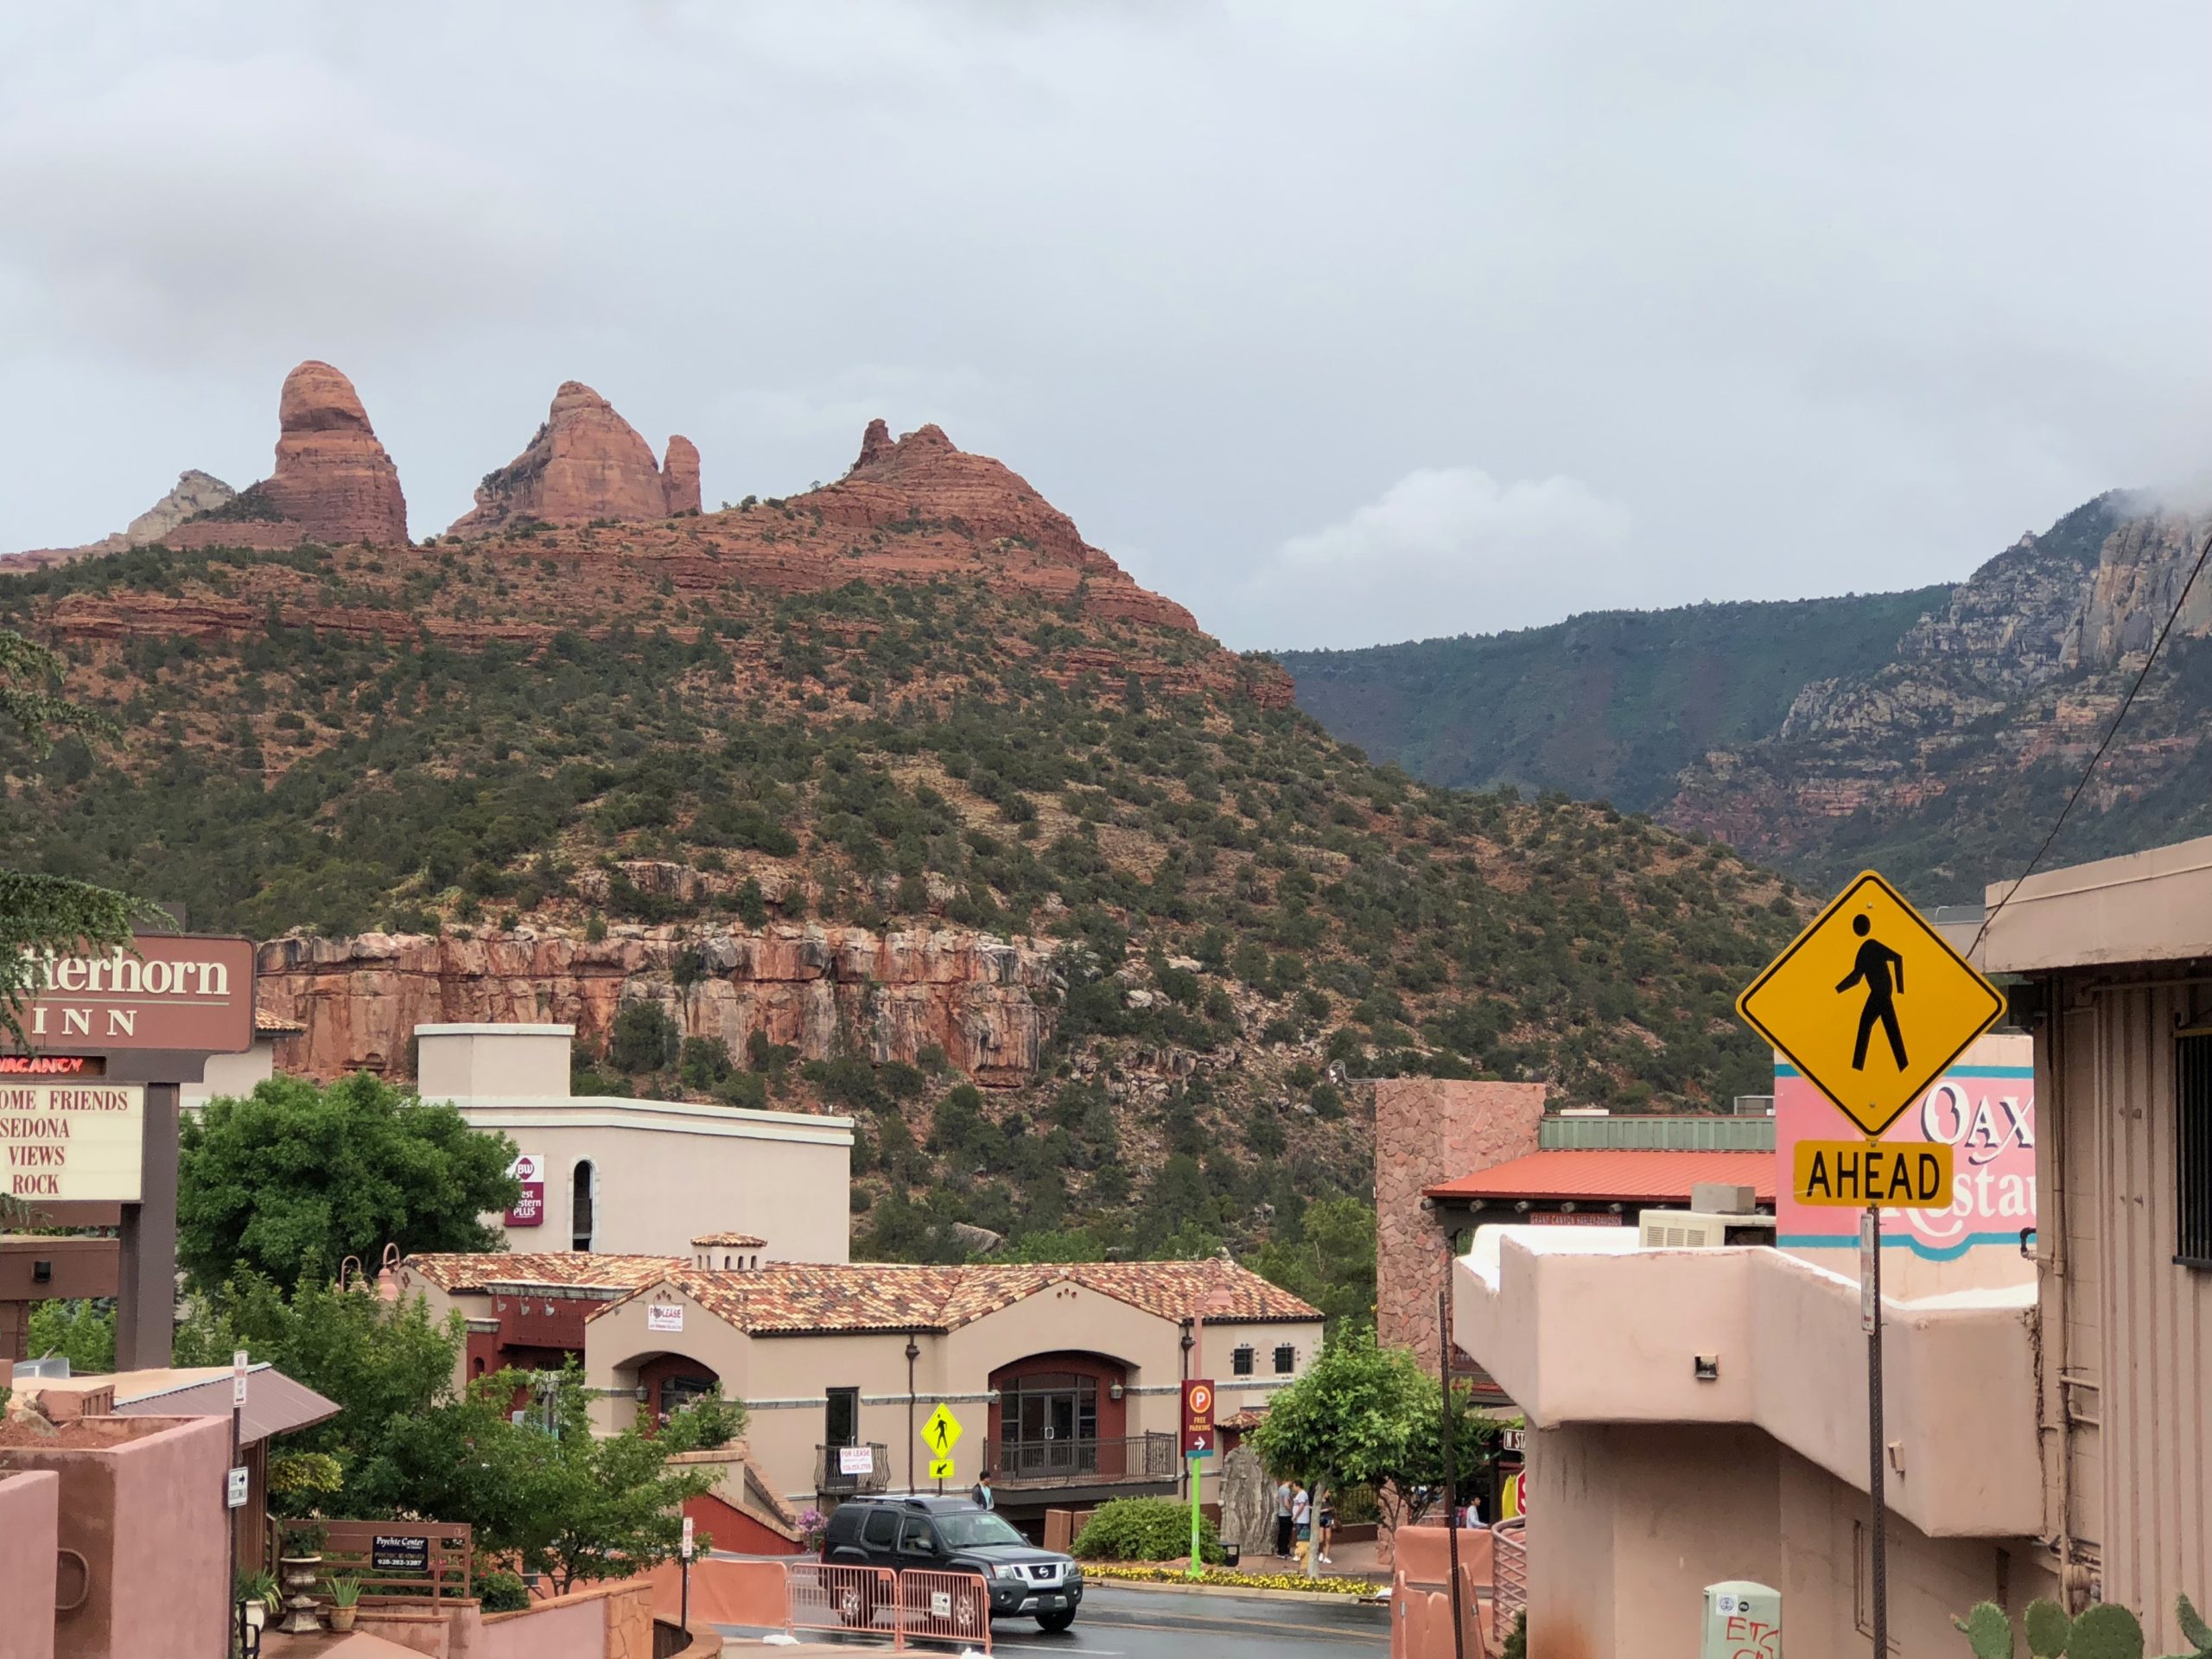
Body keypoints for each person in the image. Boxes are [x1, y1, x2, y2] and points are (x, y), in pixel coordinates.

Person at [1274, 1478, 1295, 1557]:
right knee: (1286, 1534)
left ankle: (1282, 1550)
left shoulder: (1280, 1488)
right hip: (1286, 1514)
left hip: (1281, 1513)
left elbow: (1277, 1499)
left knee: (1282, 1533)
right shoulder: (1286, 1490)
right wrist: (1292, 1511)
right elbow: (1286, 1503)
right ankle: (1283, 1551)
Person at [1291, 1483, 1312, 1564]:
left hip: (1302, 1520)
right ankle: (1301, 1553)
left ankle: (1300, 1554)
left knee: (1301, 1537)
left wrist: (1296, 1516)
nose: (1293, 1488)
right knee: (1301, 1537)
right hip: (1301, 1519)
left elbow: (1301, 1506)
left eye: (1294, 1486)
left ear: (1297, 1486)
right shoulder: (1300, 1494)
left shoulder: (1302, 1494)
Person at [1316, 1493, 1336, 1566]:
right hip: (1321, 1521)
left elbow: (1333, 1512)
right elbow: (1316, 1511)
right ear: (1324, 1493)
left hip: (1328, 1520)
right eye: (1328, 1492)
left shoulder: (1329, 1502)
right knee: (1321, 1539)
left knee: (1328, 1538)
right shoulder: (1318, 1502)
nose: (1329, 1494)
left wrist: (1333, 1519)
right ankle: (1321, 1552)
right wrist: (1324, 1510)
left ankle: (1326, 1556)